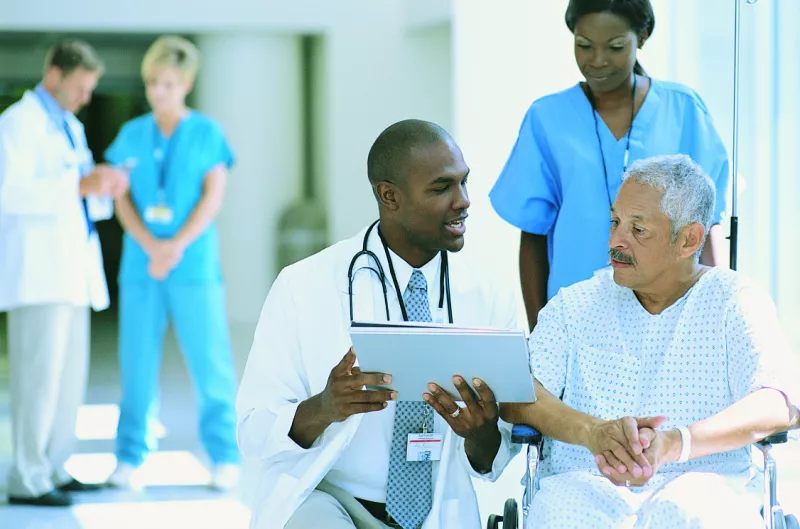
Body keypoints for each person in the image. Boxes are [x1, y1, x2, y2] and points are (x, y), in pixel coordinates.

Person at [236, 119, 520, 529]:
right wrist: (324, 407)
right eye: (441, 188)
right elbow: (252, 431)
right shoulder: (304, 285)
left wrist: (481, 433)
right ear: (389, 196)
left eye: (464, 182)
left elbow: (495, 458)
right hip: (332, 502)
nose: (463, 201)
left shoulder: (489, 293)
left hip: (438, 510)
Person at [501, 154, 799, 528]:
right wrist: (593, 433)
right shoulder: (574, 305)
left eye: (638, 229)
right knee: (561, 513)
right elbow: (519, 394)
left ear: (688, 239)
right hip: (584, 485)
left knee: (691, 512)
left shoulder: (734, 301)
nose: (615, 241)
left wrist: (677, 443)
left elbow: (780, 403)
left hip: (703, 483)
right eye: (615, 222)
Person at [490, 0, 730, 330]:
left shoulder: (683, 109)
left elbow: (706, 227)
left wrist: (715, 315)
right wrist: (540, 330)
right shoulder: (546, 117)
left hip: (672, 314)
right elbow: (533, 234)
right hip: (575, 316)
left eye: (615, 47)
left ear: (641, 37)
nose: (598, 60)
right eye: (584, 45)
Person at [103, 35, 240, 490]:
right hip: (142, 266)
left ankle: (224, 455)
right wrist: (151, 245)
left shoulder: (207, 133)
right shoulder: (131, 135)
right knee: (136, 364)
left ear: (186, 84)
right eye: (151, 83)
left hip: (193, 264)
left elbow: (213, 196)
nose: (157, 92)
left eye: (167, 83)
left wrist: (175, 246)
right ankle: (129, 455)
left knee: (210, 363)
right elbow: (120, 198)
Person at [0, 40, 130, 506]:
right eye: (79, 86)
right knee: (38, 381)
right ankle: (27, 477)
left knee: (67, 379)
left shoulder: (70, 127)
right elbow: (8, 192)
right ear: (53, 75)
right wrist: (78, 184)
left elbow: (79, 197)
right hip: (38, 275)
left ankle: (54, 466)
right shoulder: (17, 123)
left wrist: (102, 185)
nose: (85, 97)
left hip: (72, 272)